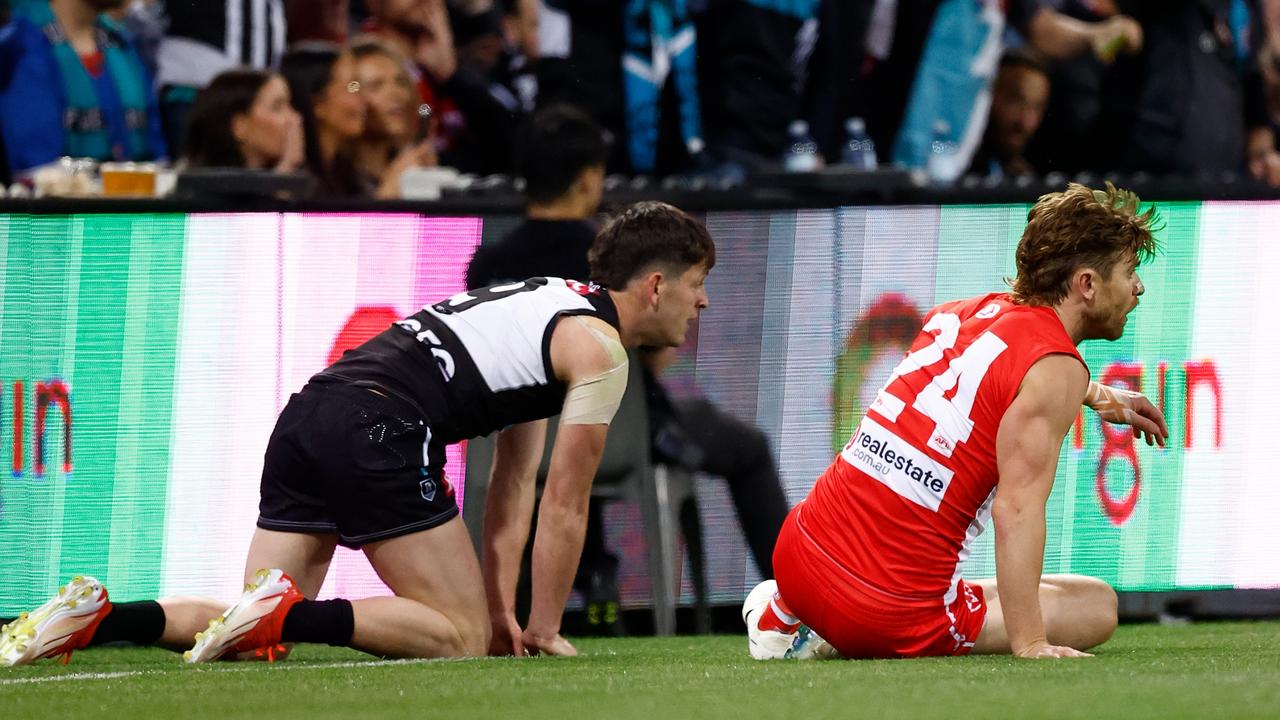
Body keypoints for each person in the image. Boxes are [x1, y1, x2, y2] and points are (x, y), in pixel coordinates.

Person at [0, 200, 714, 666]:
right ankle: (289, 617)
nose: (703, 301)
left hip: (310, 413)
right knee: (456, 641)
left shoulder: (545, 306)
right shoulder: (601, 350)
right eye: (697, 283)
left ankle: (99, 615)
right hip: (381, 426)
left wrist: (507, 613)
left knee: (252, 631)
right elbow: (566, 502)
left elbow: (514, 488)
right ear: (655, 286)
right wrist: (546, 627)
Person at [743, 182, 1169, 661]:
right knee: (1096, 607)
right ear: (1087, 284)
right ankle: (834, 626)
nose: (1139, 287)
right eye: (1130, 272)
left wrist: (1097, 395)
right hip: (887, 614)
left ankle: (784, 612)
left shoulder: (960, 314)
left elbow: (988, 382)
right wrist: (1030, 643)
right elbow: (1016, 512)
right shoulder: (1057, 368)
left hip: (796, 555)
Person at [0, 0, 168, 178]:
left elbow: (157, 156)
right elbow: (36, 171)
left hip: (139, 198)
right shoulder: (19, 46)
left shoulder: (123, 46)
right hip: (60, 201)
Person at [348, 35, 437, 198]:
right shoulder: (336, 180)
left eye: (401, 82)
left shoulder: (412, 165)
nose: (396, 94)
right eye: (376, 86)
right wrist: (386, 195)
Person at [279, 44, 367, 197]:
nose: (365, 99)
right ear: (317, 103)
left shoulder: (348, 175)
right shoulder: (291, 181)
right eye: (352, 87)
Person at [182, 69, 305, 173]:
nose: (294, 118)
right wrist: (286, 170)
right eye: (277, 108)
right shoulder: (197, 193)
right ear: (239, 127)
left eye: (290, 105)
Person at [967, 48, 1051, 179]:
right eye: (1015, 101)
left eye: (1036, 107)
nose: (1025, 123)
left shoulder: (1022, 180)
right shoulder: (945, 160)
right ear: (988, 94)